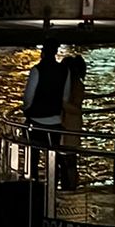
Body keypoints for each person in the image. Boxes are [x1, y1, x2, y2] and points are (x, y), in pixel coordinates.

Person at [22, 39, 69, 181]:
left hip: (37, 120)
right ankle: (56, 183)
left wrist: (27, 109)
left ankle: (34, 182)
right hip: (55, 121)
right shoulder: (64, 71)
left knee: (33, 157)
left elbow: (28, 97)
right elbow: (65, 97)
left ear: (42, 53)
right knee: (54, 154)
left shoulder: (37, 70)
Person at [58, 46, 87, 187]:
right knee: (67, 159)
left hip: (70, 125)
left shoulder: (76, 86)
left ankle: (69, 185)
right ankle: (68, 184)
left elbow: (76, 108)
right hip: (69, 124)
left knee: (69, 159)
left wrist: (60, 103)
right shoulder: (75, 85)